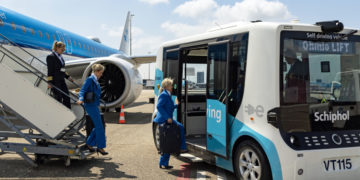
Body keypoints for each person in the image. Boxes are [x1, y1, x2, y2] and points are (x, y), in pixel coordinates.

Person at [154, 78, 187, 169]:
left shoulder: (168, 94)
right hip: (164, 120)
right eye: (171, 85)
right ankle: (182, 147)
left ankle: (163, 163)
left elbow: (170, 107)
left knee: (168, 142)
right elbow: (159, 106)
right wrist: (167, 117)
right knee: (179, 128)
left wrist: (176, 104)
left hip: (168, 119)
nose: (172, 86)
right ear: (167, 86)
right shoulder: (164, 95)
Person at [77, 64, 108, 155]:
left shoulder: (95, 80)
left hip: (95, 105)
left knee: (99, 126)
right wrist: (81, 99)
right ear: (97, 72)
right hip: (90, 106)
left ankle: (89, 143)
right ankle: (100, 147)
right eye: (101, 73)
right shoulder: (90, 79)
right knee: (99, 127)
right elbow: (82, 90)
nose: (101, 75)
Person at [47, 41, 73, 109]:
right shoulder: (51, 57)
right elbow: (50, 71)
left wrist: (68, 76)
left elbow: (63, 69)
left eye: (64, 50)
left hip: (62, 81)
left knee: (67, 97)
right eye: (62, 49)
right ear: (57, 48)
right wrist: (49, 82)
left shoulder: (61, 58)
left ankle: (68, 114)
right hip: (55, 82)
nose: (63, 51)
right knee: (58, 98)